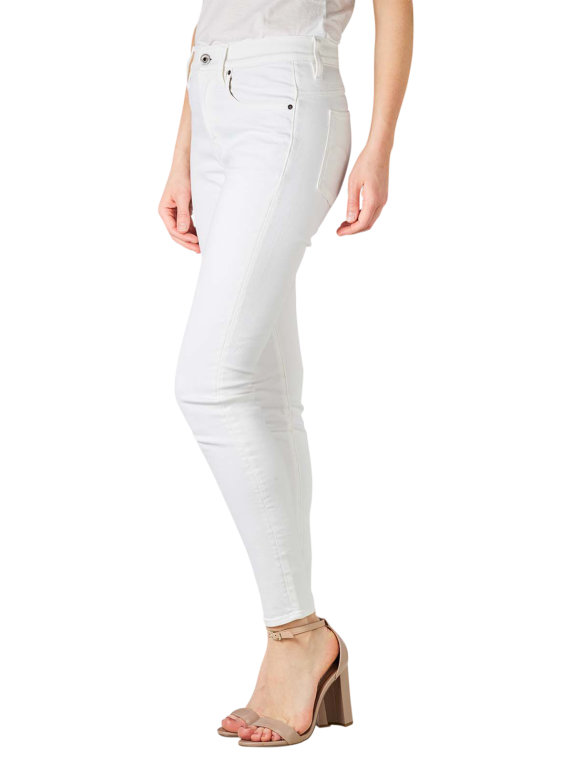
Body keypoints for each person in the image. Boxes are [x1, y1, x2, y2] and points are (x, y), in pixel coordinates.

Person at [157, 0, 414, 748]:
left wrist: (380, 146)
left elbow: (394, 5)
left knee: (208, 383)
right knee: (263, 390)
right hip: (212, 98)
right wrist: (183, 152)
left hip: (287, 97)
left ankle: (299, 635)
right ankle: (295, 640)